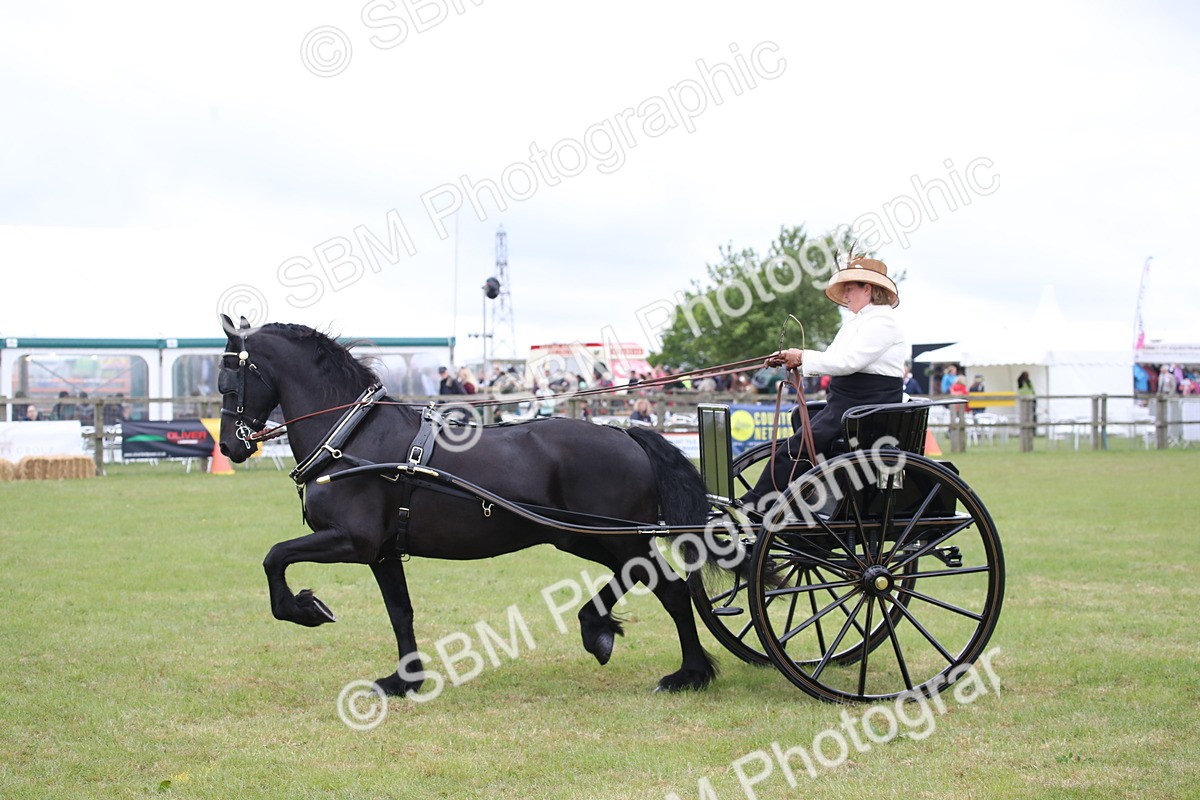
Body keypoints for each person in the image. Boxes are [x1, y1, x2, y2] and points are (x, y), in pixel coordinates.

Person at [740, 256, 905, 510]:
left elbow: (848, 362)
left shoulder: (883, 322)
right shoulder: (856, 322)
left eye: (850, 288)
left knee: (795, 448)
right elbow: (831, 358)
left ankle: (757, 504)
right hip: (846, 403)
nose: (846, 294)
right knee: (799, 424)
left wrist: (802, 357)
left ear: (868, 289)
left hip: (866, 408)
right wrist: (791, 357)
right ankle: (800, 500)